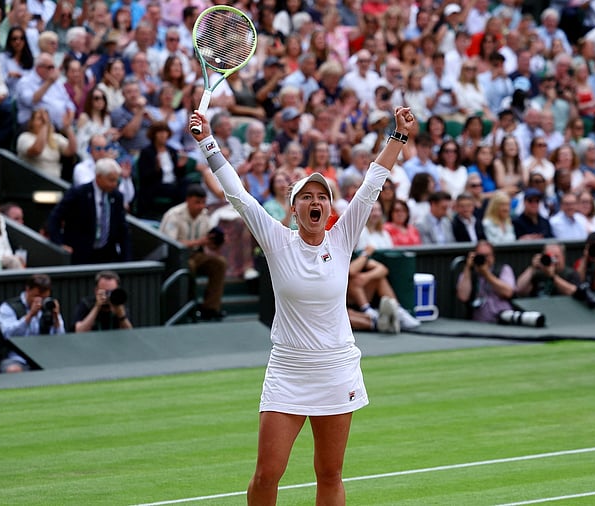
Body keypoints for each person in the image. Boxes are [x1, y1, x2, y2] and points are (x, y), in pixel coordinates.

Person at [188, 106, 415, 504]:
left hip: (336, 368)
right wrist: (208, 141)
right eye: (306, 197)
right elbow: (237, 195)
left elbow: (373, 182)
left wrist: (398, 135)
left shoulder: (342, 238)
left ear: (329, 209)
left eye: (321, 197)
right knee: (266, 474)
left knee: (330, 474)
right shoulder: (277, 241)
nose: (315, 202)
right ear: (294, 210)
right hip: (288, 370)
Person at [159, 184, 228, 321]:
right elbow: (171, 244)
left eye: (203, 202)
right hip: (176, 257)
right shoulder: (174, 215)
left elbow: (209, 241)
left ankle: (210, 308)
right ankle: (188, 307)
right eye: (197, 202)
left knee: (219, 263)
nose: (201, 206)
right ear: (188, 200)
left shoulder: (204, 215)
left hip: (197, 254)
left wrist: (217, 241)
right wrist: (199, 242)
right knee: (189, 265)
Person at [46, 158, 131, 264]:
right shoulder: (78, 193)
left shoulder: (116, 196)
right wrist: (59, 243)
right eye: (111, 180)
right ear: (99, 177)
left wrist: (126, 258)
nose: (114, 184)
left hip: (107, 255)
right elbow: (55, 217)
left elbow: (122, 228)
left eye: (116, 180)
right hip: (80, 254)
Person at [0, 273, 65, 373]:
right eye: (36, 296)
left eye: (44, 297)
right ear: (28, 290)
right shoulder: (9, 307)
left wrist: (56, 319)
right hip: (17, 357)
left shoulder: (49, 306)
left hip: (45, 357)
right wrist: (30, 316)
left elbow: (61, 339)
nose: (40, 301)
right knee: (13, 370)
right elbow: (8, 335)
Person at [346, 245, 420, 333]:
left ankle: (397, 311)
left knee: (378, 278)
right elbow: (351, 271)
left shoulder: (356, 255)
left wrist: (366, 277)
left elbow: (383, 269)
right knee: (344, 315)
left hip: (356, 299)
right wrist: (366, 253)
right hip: (342, 304)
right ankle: (379, 322)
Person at [456, 240, 515, 322]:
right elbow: (463, 297)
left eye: (487, 256)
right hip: (478, 321)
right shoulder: (469, 273)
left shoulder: (503, 269)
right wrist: (468, 268)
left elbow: (508, 292)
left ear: (493, 256)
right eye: (481, 256)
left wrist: (486, 274)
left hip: (503, 319)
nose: (485, 259)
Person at [515, 242, 580, 297]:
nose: (553, 260)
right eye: (549, 256)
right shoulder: (538, 273)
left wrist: (552, 277)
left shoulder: (570, 274)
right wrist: (532, 268)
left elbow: (574, 292)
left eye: (556, 257)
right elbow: (519, 290)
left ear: (563, 257)